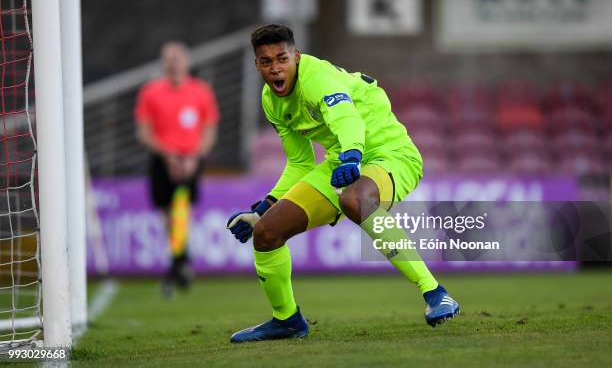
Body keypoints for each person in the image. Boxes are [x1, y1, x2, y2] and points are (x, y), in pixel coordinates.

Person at [226, 24, 459, 343]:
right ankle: (287, 321)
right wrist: (265, 206)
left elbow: (347, 120)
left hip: (389, 153)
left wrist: (351, 156)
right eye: (266, 62)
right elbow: (300, 163)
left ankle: (435, 293)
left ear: (296, 56)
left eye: (281, 58)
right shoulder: (272, 101)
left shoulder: (317, 78)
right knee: (267, 233)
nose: (275, 68)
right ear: (257, 65)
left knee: (355, 199)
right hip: (341, 162)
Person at [135, 41, 219, 297]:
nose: (174, 63)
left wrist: (195, 156)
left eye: (178, 58)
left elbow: (209, 129)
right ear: (164, 63)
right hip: (162, 159)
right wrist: (167, 154)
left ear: (187, 62)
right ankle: (181, 259)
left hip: (191, 160)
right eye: (169, 58)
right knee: (166, 216)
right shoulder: (150, 92)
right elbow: (143, 132)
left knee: (182, 209)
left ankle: (176, 266)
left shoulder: (201, 91)